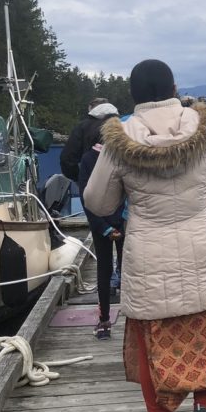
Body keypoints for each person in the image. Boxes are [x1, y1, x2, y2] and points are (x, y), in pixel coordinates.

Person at [84, 59, 206, 412]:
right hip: (201, 254)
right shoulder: (203, 128)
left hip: (148, 260)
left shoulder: (121, 138)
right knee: (204, 343)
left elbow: (98, 202)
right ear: (174, 86)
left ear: (134, 95)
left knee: (148, 354)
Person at [76, 102, 125, 340]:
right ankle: (132, 321)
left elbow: (86, 198)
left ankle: (104, 321)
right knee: (127, 272)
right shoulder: (123, 156)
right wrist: (120, 223)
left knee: (103, 272)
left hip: (101, 225)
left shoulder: (86, 159)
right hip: (122, 223)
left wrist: (104, 228)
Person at [60, 97, 111, 181]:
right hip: (118, 182)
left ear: (90, 109)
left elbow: (67, 159)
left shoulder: (82, 127)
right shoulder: (121, 124)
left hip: (91, 180)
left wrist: (78, 178)